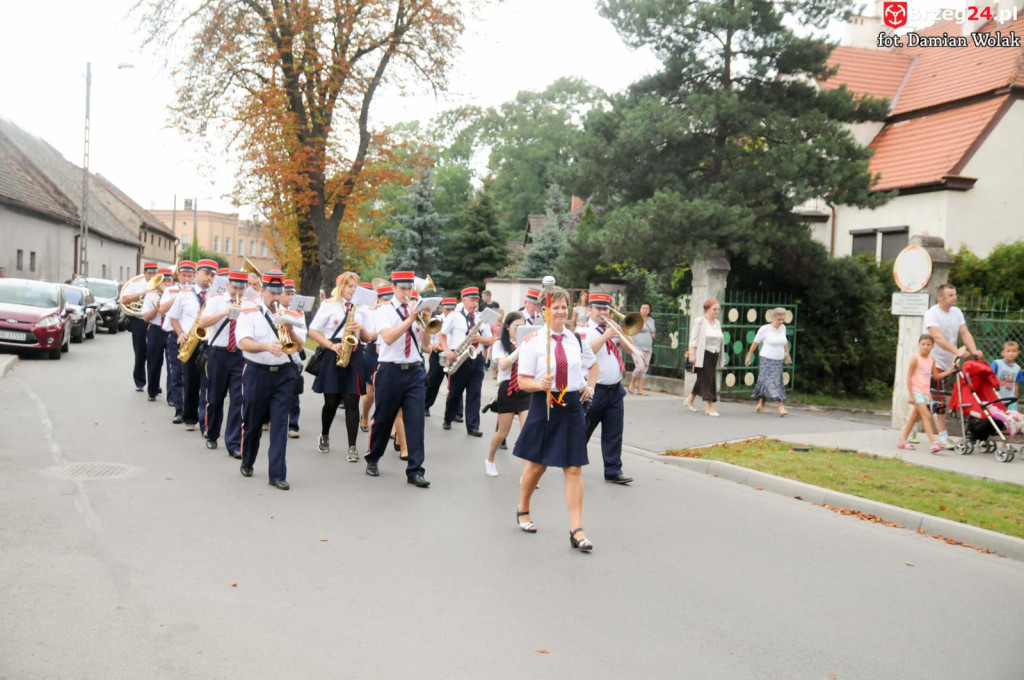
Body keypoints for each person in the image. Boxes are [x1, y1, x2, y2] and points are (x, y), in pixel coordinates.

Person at [514, 286, 598, 552]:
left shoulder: (576, 340)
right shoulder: (534, 342)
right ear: (545, 311)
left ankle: (577, 529)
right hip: (545, 404)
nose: (561, 312)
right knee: (537, 466)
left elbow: (593, 365)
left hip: (572, 406)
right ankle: (523, 507)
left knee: (574, 468)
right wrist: (540, 384)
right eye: (556, 307)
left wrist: (590, 386)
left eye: (564, 307)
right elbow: (522, 381)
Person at [236, 270, 306, 489]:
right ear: (262, 290)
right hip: (257, 372)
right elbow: (243, 342)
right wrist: (266, 346)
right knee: (253, 423)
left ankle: (277, 474)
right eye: (272, 292)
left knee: (280, 424)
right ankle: (248, 460)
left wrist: (290, 331)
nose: (276, 297)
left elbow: (301, 346)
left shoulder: (291, 313)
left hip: (284, 374)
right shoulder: (249, 311)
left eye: (279, 293)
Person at [363, 271, 432, 488]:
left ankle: (415, 470)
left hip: (414, 371)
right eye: (402, 288)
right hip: (390, 371)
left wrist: (427, 321)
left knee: (416, 421)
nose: (406, 292)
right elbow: (389, 338)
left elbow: (425, 345)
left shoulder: (416, 308)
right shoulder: (384, 310)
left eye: (409, 288)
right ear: (393, 288)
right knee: (383, 419)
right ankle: (373, 457)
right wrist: (411, 319)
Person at [308, 272, 376, 461]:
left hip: (355, 354)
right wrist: (330, 345)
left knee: (352, 401)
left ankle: (352, 447)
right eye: (349, 286)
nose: (352, 290)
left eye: (355, 287)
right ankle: (325, 434)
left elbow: (369, 337)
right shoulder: (329, 305)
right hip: (334, 352)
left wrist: (361, 328)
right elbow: (313, 331)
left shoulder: (362, 308)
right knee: (331, 401)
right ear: (341, 287)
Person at [579, 293, 633, 485]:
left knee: (614, 432)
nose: (603, 312)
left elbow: (630, 349)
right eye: (599, 308)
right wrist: (605, 336)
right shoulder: (584, 330)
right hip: (594, 389)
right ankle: (573, 463)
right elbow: (586, 352)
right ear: (589, 309)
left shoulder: (612, 328)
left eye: (606, 309)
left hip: (615, 390)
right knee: (583, 430)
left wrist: (621, 332)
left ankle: (613, 470)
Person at [923, 283, 983, 446]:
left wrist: (973, 350)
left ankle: (910, 428)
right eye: (950, 295)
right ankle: (943, 437)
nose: (954, 297)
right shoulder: (932, 314)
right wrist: (956, 351)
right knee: (939, 399)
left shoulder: (956, 312)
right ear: (940, 297)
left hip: (949, 364)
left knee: (927, 399)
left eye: (955, 294)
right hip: (933, 362)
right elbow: (937, 337)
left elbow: (964, 332)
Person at [198, 269, 247, 457]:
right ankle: (212, 434)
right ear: (227, 285)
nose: (237, 292)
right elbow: (203, 322)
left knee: (238, 399)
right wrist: (225, 312)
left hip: (240, 355)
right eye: (234, 287)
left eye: (241, 289)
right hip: (218, 354)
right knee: (215, 398)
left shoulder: (250, 304)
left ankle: (233, 443)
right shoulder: (216, 301)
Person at [167, 259, 216, 432]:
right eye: (206, 273)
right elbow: (173, 317)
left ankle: (205, 423)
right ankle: (189, 417)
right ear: (198, 274)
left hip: (209, 342)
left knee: (207, 384)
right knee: (190, 381)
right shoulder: (185, 294)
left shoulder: (216, 295)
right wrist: (180, 333)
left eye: (212, 275)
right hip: (190, 341)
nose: (208, 278)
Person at [440, 287, 494, 436]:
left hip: (477, 359)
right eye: (472, 300)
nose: (475, 304)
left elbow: (491, 340)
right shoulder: (454, 316)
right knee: (454, 393)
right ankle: (448, 418)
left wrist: (480, 339)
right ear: (463, 300)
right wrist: (447, 351)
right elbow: (442, 335)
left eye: (477, 301)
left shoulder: (482, 319)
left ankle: (472, 426)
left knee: (474, 394)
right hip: (459, 358)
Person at [485, 312, 531, 477]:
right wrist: (520, 348)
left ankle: (527, 473)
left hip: (525, 389)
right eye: (516, 326)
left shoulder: (529, 344)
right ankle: (490, 459)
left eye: (522, 326)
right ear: (507, 327)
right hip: (508, 389)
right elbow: (503, 365)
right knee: (502, 433)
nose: (519, 330)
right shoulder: (500, 344)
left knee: (527, 432)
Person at [898, 335, 954, 453]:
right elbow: (909, 377)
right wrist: (911, 395)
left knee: (914, 417)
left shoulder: (931, 359)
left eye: (928, 345)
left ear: (932, 346)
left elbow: (936, 376)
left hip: (925, 393)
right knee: (927, 416)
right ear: (919, 344)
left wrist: (950, 370)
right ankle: (934, 443)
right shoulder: (915, 358)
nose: (925, 347)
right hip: (916, 392)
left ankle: (902, 441)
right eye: (923, 344)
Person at [745, 308, 793, 417]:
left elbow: (784, 343)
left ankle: (761, 404)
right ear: (773, 318)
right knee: (773, 382)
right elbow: (755, 343)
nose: (781, 322)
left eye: (782, 319)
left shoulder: (783, 328)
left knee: (768, 382)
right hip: (767, 359)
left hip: (778, 360)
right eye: (779, 319)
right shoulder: (765, 329)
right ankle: (780, 406)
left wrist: (787, 355)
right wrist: (749, 356)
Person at [122, 262, 159, 392]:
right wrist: (143, 294)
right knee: (140, 353)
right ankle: (140, 381)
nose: (153, 275)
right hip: (139, 321)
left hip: (154, 322)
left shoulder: (160, 284)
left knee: (154, 355)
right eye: (150, 273)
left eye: (155, 273)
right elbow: (124, 300)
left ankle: (154, 384)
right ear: (144, 273)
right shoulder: (135, 284)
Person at [684, 298, 723, 417]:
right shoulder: (700, 322)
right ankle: (709, 407)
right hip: (703, 355)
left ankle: (690, 399)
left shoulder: (717, 323)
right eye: (714, 309)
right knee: (707, 380)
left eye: (718, 309)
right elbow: (693, 339)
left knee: (703, 378)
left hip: (714, 354)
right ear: (707, 309)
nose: (717, 312)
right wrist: (692, 354)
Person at [360, 285, 392, 433]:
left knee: (389, 392)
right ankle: (365, 415)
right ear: (378, 300)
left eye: (390, 299)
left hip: (390, 351)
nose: (387, 302)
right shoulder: (370, 312)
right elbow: (368, 336)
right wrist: (379, 329)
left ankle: (391, 426)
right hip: (373, 351)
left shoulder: (395, 311)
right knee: (370, 393)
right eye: (385, 299)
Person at [159, 265, 186, 421]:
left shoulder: (198, 292)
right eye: (184, 275)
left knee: (191, 375)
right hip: (174, 335)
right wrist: (179, 297)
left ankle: (190, 408)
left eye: (190, 276)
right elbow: (162, 308)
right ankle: (179, 409)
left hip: (193, 338)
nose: (187, 279)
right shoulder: (170, 290)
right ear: (178, 276)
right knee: (175, 372)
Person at [424, 297, 457, 417]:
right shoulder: (436, 320)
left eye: (452, 309)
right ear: (442, 308)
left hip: (453, 354)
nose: (450, 311)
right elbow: (430, 339)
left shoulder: (458, 319)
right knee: (433, 381)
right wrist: (435, 346)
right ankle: (426, 405)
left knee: (456, 384)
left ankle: (456, 412)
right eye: (448, 309)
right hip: (438, 353)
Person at [140, 268, 169, 403]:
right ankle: (152, 391)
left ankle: (172, 396)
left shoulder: (176, 295)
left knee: (172, 366)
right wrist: (157, 307)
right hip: (156, 330)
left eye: (169, 281)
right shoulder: (151, 296)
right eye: (164, 281)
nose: (166, 284)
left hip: (171, 330)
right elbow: (146, 317)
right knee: (154, 363)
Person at [282, 279, 303, 439]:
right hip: (274, 354)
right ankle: (266, 418)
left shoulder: (298, 313)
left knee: (293, 393)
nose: (290, 297)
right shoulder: (272, 310)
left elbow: (301, 344)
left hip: (292, 357)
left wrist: (291, 331)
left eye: (292, 294)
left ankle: (293, 425)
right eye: (287, 294)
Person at [628, 302, 655, 395]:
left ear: (649, 310)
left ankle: (640, 390)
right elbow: (628, 330)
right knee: (640, 367)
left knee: (644, 369)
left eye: (647, 308)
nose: (645, 310)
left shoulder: (651, 320)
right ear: (640, 309)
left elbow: (653, 332)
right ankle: (632, 382)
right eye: (643, 308)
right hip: (636, 347)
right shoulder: (635, 319)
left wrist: (653, 335)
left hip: (648, 348)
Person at [993, 341, 1021, 412]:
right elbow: (990, 378)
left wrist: (1016, 399)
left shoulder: (1017, 368)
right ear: (1003, 352)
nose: (1011, 353)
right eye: (1008, 351)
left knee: (1014, 415)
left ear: (1017, 353)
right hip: (997, 397)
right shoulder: (997, 363)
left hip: (1011, 399)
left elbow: (1016, 384)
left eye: (1014, 351)